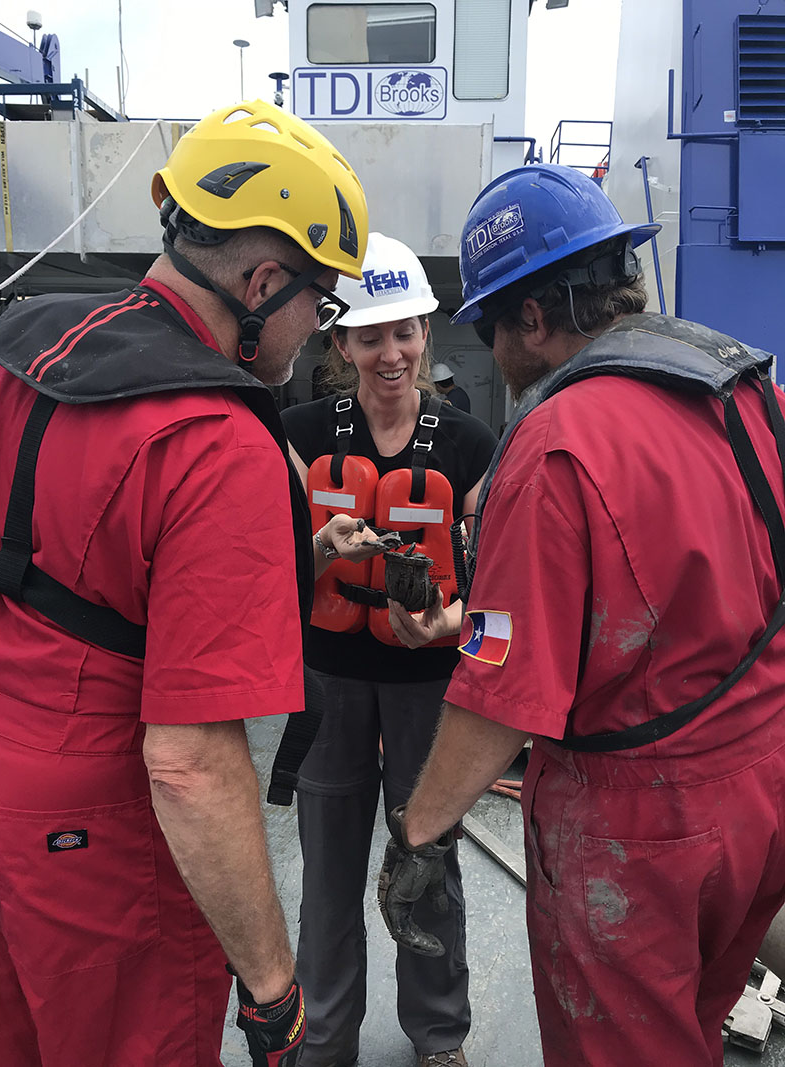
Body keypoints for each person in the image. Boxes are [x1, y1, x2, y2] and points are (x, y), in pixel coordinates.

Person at [0, 99, 367, 1067]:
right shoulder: (218, 439)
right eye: (316, 306)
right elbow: (189, 764)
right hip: (102, 849)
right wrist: (273, 984)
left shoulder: (15, 347)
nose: (312, 335)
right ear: (263, 279)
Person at [377, 164, 785, 1067]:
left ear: (533, 315)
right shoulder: (745, 388)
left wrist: (418, 831)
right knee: (698, 1017)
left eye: (488, 323)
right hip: (764, 789)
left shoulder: (554, 445)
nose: (488, 345)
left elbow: (497, 702)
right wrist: (466, 625)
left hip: (638, 831)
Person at [282, 231, 497, 1067]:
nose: (391, 352)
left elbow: (505, 600)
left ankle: (439, 1037)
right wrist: (320, 553)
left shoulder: (470, 448)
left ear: (426, 333)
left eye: (405, 330)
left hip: (429, 698)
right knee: (329, 876)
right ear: (340, 343)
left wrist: (453, 625)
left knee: (428, 865)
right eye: (370, 335)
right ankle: (325, 1039)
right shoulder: (299, 435)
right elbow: (257, 575)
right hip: (329, 686)